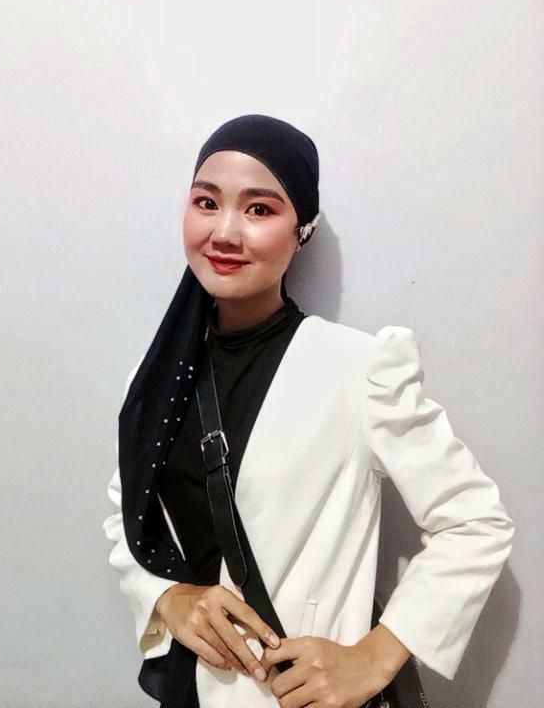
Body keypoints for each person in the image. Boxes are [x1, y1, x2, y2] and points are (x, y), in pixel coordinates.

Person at [102, 114, 514, 708]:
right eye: (206, 202)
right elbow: (129, 512)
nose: (224, 232)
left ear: (303, 230)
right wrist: (167, 597)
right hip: (190, 690)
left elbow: (475, 522)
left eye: (259, 209)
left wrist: (375, 656)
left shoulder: (361, 368)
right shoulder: (157, 379)